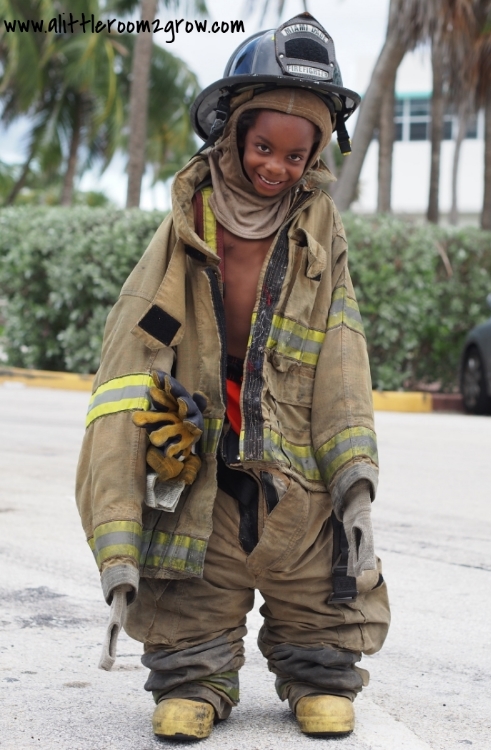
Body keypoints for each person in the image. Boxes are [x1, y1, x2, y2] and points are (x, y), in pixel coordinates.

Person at [76, 12, 390, 742]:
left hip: (295, 463)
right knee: (187, 580)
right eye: (261, 147)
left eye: (294, 152)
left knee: (324, 582)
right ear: (233, 134)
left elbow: (342, 353)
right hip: (201, 453)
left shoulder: (320, 232)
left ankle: (316, 672)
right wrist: (120, 544)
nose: (274, 166)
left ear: (314, 154)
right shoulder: (187, 225)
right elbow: (127, 375)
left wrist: (356, 486)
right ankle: (196, 674)